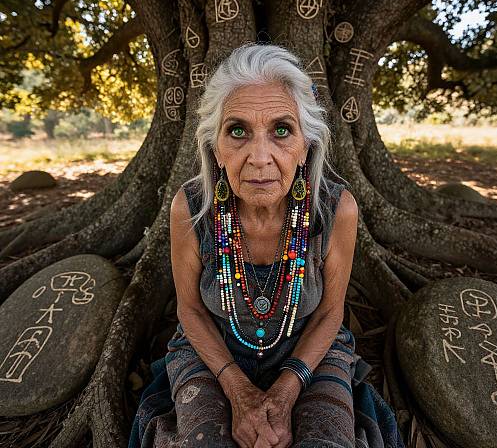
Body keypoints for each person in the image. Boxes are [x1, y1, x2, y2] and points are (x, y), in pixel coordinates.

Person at [129, 43, 405, 448]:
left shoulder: (335, 210)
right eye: (238, 130)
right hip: (213, 353)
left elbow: (330, 313)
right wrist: (239, 392)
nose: (260, 158)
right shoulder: (190, 209)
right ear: (215, 148)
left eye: (282, 130)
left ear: (306, 144)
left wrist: (285, 390)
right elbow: (189, 310)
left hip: (310, 354)